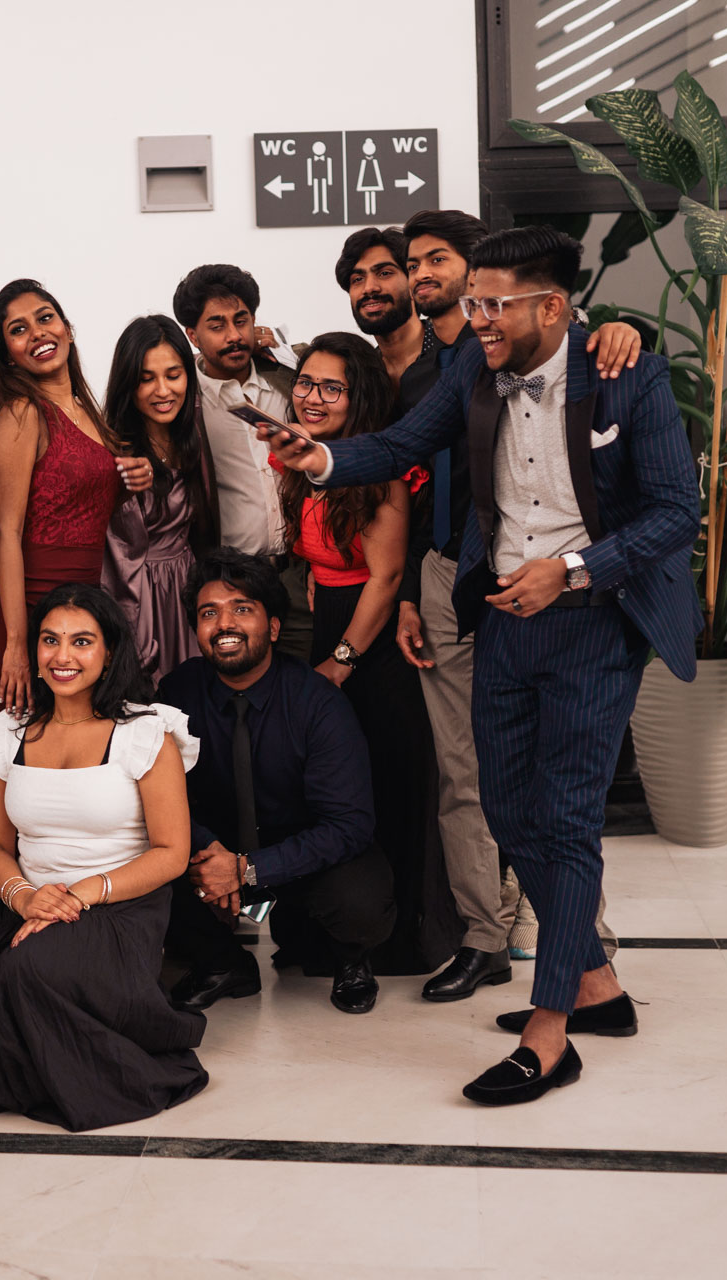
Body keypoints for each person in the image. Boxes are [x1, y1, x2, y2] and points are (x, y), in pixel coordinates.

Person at [266, 226, 701, 1105]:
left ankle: (552, 1031)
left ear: (554, 307)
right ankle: (597, 987)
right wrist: (324, 458)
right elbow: (400, 443)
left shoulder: (630, 376)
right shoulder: (473, 364)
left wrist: (572, 569)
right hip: (501, 615)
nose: (479, 319)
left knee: (564, 818)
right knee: (507, 809)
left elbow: (674, 512)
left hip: (593, 619)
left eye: (495, 304)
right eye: (475, 303)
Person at [343, 211, 635, 1001]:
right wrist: (412, 593)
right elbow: (411, 486)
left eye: (438, 260)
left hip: (535, 581)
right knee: (463, 776)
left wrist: (615, 330)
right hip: (446, 578)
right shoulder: (421, 380)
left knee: (554, 782)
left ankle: (585, 946)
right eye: (413, 262)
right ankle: (483, 937)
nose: (421, 274)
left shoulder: (539, 354)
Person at [0, 583, 207, 1132]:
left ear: (109, 651)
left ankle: (83, 1070)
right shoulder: (4, 734)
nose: (63, 656)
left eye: (82, 641)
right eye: (50, 640)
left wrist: (80, 893)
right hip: (29, 905)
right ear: (34, 651)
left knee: (25, 972)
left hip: (119, 905)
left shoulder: (145, 732)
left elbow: (173, 853)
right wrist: (24, 897)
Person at [276, 334, 456, 977]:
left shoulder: (377, 470)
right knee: (333, 790)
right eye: (306, 382)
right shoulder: (304, 460)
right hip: (330, 621)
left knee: (388, 784)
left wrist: (342, 659)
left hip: (372, 642)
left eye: (333, 388)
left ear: (361, 399)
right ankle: (333, 932)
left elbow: (385, 577)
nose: (313, 397)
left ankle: (399, 941)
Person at [160, 551, 395, 1015]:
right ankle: (224, 964)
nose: (224, 624)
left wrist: (248, 869)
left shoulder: (317, 701)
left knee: (360, 895)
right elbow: (162, 799)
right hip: (215, 855)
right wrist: (213, 856)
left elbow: (348, 825)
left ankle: (349, 960)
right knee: (147, 861)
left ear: (272, 627)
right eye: (209, 613)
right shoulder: (175, 694)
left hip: (301, 864)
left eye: (241, 609)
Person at [0, 278, 135, 714]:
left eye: (45, 318)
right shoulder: (22, 412)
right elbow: (6, 532)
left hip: (84, 599)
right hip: (26, 602)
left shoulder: (88, 410)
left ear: (67, 327)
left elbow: (88, 503)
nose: (37, 333)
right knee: (26, 733)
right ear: (6, 353)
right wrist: (15, 643)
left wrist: (132, 477)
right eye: (19, 329)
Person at [171, 262, 312, 659]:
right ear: (193, 335)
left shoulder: (287, 379)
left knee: (309, 681)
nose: (234, 336)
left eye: (241, 320)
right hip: (230, 583)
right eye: (217, 325)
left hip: (302, 574)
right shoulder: (184, 401)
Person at [101, 314, 220, 680]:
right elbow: (114, 557)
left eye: (173, 375)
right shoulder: (112, 449)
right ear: (127, 384)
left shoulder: (193, 436)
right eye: (146, 379)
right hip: (138, 596)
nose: (163, 391)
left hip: (188, 588)